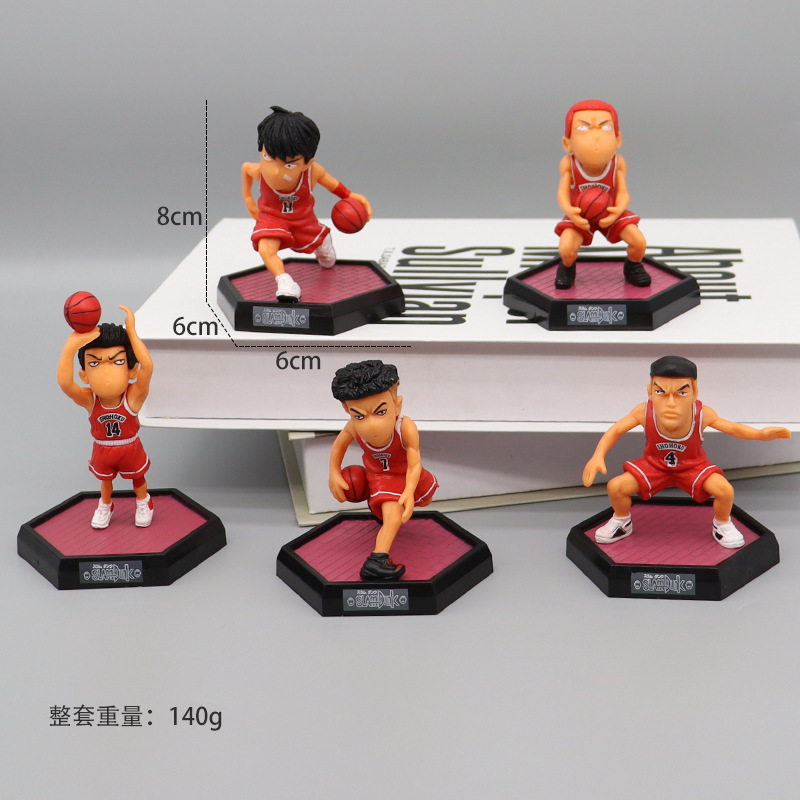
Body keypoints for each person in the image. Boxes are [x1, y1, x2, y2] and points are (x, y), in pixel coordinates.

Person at [582, 356, 791, 548]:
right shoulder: (643, 412)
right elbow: (616, 430)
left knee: (725, 491)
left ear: (694, 392)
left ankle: (722, 523)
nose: (671, 403)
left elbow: (733, 428)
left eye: (681, 393)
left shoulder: (702, 414)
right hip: (654, 466)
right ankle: (622, 520)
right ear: (649, 391)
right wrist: (597, 455)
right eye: (660, 392)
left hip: (693, 468)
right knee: (616, 487)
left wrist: (759, 434)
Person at [242, 106, 372, 302]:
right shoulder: (257, 170)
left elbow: (334, 186)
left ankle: (323, 241)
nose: (275, 171)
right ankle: (285, 282)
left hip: (303, 220)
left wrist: (350, 196)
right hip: (272, 217)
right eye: (268, 157)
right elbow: (245, 169)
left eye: (289, 165)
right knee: (265, 248)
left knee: (323, 255)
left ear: (308, 162)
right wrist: (249, 200)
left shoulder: (313, 173)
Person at [329, 361, 438, 580]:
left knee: (426, 500)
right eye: (359, 416)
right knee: (394, 516)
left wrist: (409, 490)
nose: (370, 424)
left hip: (405, 473)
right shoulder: (352, 427)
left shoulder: (405, 427)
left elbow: (415, 463)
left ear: (396, 402)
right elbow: (339, 445)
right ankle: (376, 561)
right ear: (347, 410)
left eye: (381, 412)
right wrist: (333, 472)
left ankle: (377, 507)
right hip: (380, 476)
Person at [57, 306, 154, 529]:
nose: (106, 371)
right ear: (84, 375)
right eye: (94, 363)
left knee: (138, 478)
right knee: (105, 480)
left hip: (130, 446)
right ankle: (106, 505)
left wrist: (131, 332)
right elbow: (64, 383)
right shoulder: (90, 400)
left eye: (117, 362)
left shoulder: (132, 397)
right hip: (103, 448)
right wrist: (70, 346)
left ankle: (144, 501)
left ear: (131, 370)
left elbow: (148, 366)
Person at [554, 100, 650, 290]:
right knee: (566, 248)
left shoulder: (617, 162)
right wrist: (572, 213)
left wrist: (616, 212)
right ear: (567, 143)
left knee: (638, 242)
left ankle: (633, 266)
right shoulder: (568, 164)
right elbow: (562, 194)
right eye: (583, 128)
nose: (596, 136)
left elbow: (623, 194)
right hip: (580, 214)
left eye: (605, 128)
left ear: (618, 140)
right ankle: (567, 267)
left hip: (610, 212)